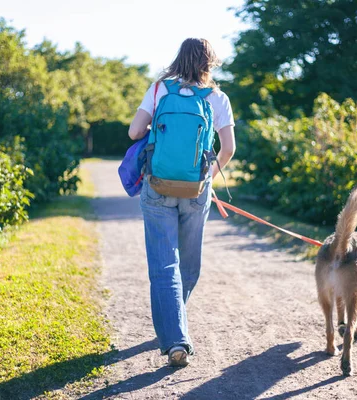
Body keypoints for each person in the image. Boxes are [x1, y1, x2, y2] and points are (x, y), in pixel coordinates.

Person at [128, 38, 236, 367]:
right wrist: (208, 179)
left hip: (157, 186)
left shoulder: (160, 89)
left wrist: (155, 127)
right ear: (209, 63)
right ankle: (176, 328)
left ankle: (173, 331)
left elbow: (134, 132)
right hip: (196, 190)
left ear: (179, 59)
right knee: (188, 267)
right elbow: (228, 149)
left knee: (164, 267)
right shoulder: (217, 98)